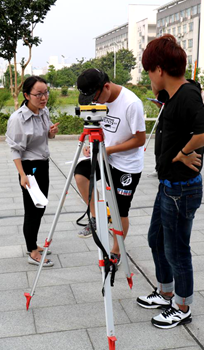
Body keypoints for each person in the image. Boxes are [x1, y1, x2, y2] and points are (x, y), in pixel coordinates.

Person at [136, 34, 204, 329]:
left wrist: (183, 153)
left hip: (181, 189)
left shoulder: (186, 94)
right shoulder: (175, 96)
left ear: (159, 69)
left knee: (177, 249)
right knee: (156, 240)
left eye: (148, 71)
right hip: (169, 186)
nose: (148, 77)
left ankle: (182, 305)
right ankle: (166, 291)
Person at [74, 68, 146, 265]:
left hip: (126, 164)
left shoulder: (131, 104)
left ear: (105, 86)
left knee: (119, 210)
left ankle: (116, 250)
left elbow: (140, 139)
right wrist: (90, 144)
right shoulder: (98, 99)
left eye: (95, 97)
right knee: (80, 175)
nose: (95, 103)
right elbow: (94, 126)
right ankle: (97, 217)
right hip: (104, 155)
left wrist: (110, 150)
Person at [5, 76, 60, 267]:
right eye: (38, 94)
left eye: (45, 92)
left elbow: (46, 135)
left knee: (41, 206)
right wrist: (22, 175)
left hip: (43, 164)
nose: (43, 97)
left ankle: (33, 243)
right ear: (27, 95)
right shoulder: (18, 118)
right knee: (33, 208)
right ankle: (32, 252)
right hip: (30, 167)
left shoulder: (43, 112)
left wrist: (51, 133)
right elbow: (15, 149)